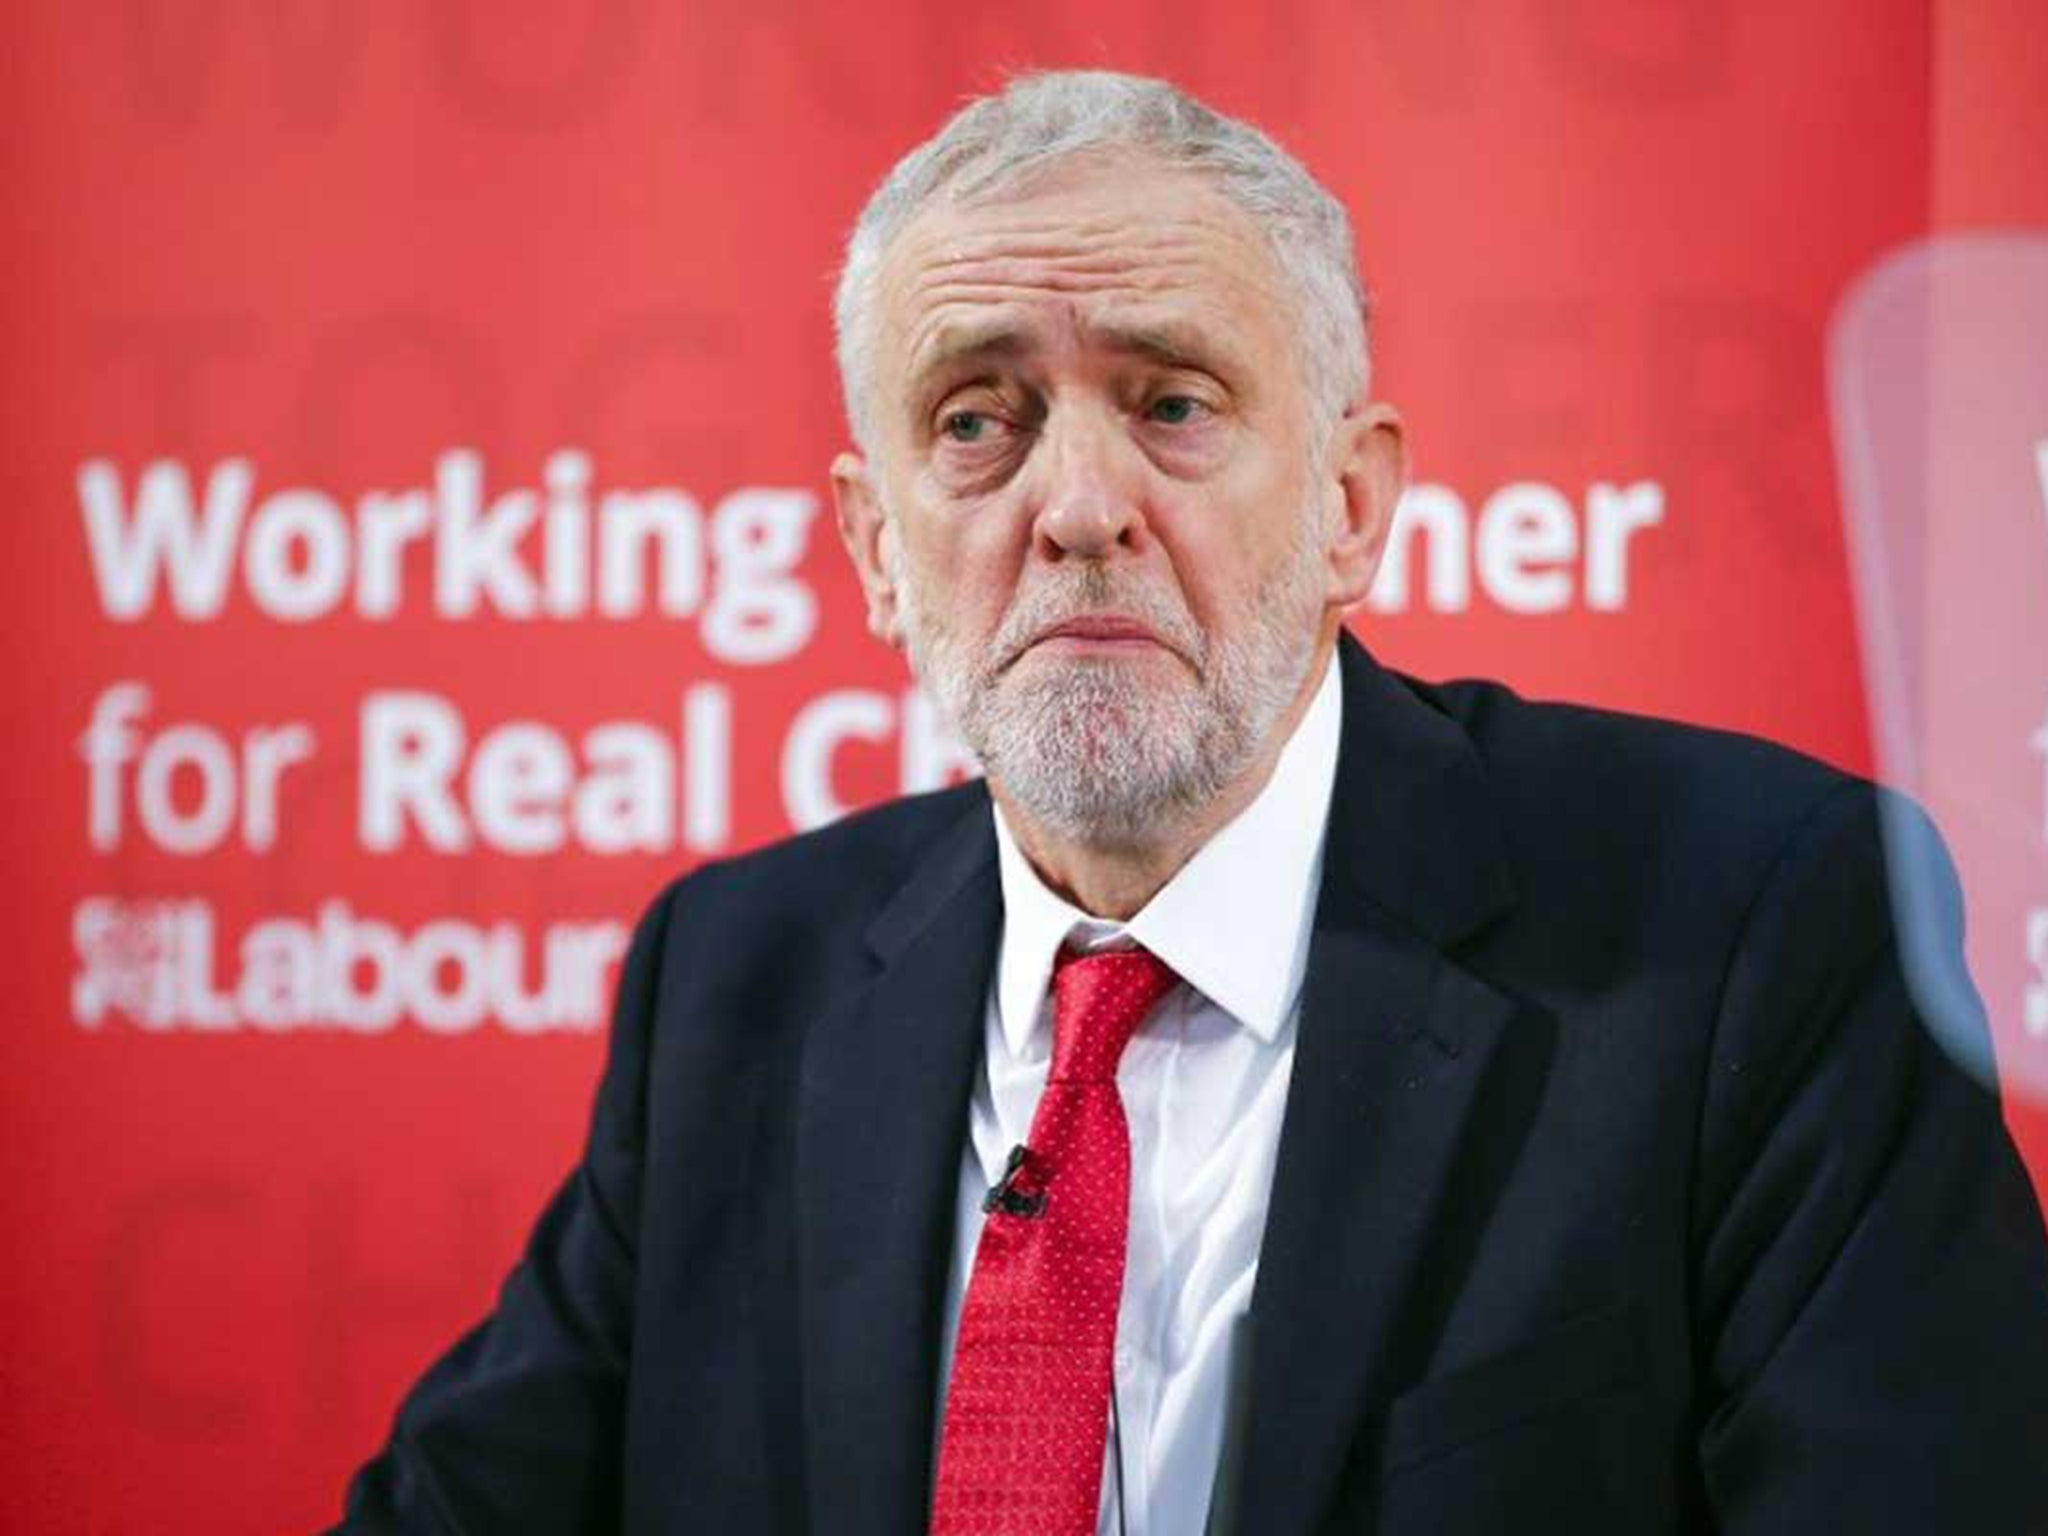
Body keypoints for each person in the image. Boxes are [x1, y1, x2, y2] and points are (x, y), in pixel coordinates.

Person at [335, 71, 2048, 1534]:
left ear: (1352, 506)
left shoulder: (1756, 931)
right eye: (979, 422)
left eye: (1171, 403)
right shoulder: (734, 982)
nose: (1080, 505)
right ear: (872, 544)